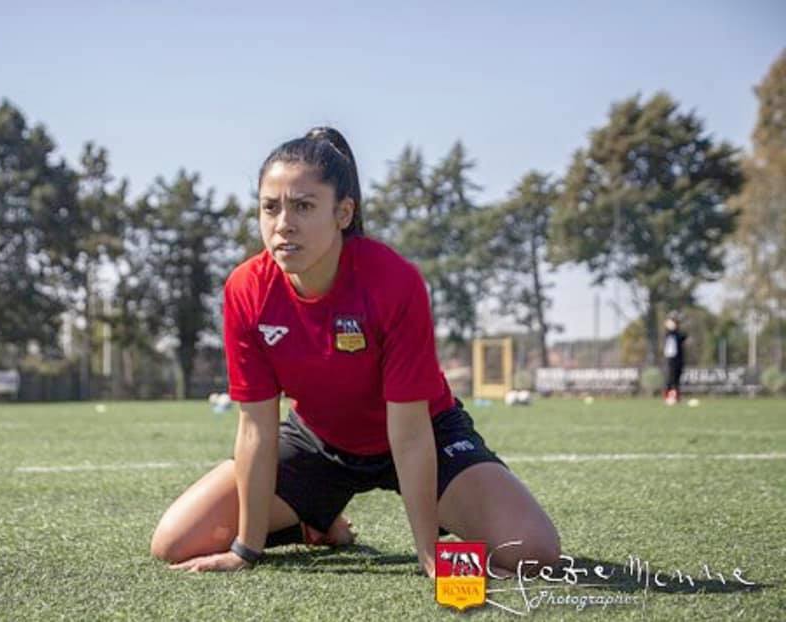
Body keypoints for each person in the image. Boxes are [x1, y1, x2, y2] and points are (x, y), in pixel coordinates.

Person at [150, 127, 560, 577]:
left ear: (343, 213)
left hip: (424, 432)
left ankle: (419, 520)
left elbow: (410, 433)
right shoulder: (246, 289)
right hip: (319, 443)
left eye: (304, 206)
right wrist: (245, 550)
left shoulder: (394, 281)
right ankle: (316, 522)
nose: (283, 223)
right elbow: (256, 430)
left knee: (533, 552)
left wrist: (429, 556)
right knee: (175, 542)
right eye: (270, 207)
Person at [663, 312, 687, 405]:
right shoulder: (669, 333)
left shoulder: (677, 333)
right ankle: (667, 397)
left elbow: (683, 336)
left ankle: (677, 397)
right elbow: (670, 329)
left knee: (677, 379)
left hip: (678, 359)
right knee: (670, 379)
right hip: (671, 359)